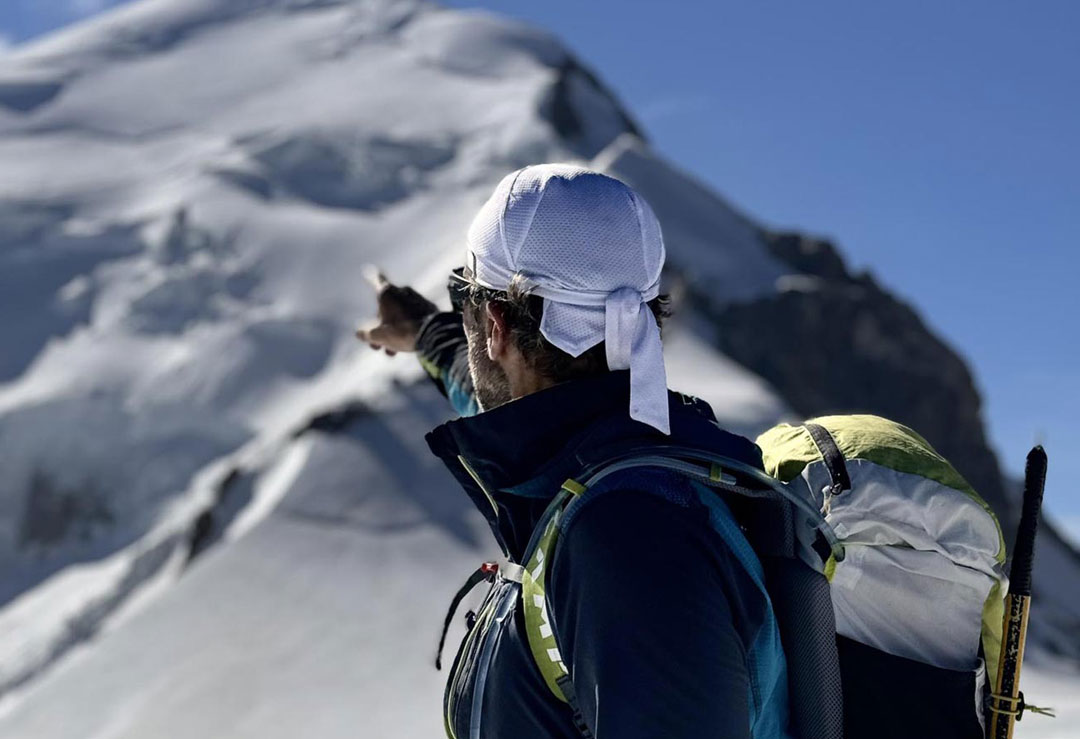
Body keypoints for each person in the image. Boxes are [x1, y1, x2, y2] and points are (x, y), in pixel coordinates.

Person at [356, 164, 790, 738]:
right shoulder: (619, 456)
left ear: (494, 325)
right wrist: (425, 332)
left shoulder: (628, 537)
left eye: (466, 299)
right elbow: (500, 391)